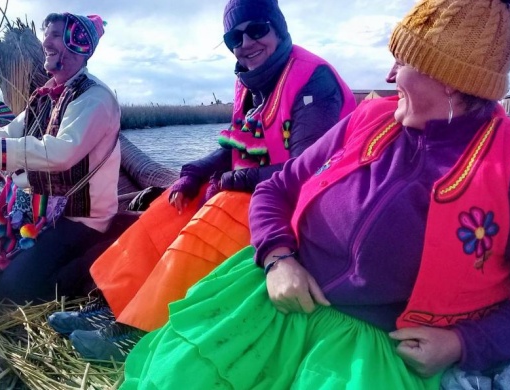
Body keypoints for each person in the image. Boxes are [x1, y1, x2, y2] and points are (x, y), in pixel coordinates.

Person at [120, 0, 510, 388]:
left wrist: (462, 344)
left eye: (403, 62)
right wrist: (278, 259)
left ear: (450, 77)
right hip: (275, 302)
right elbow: (276, 187)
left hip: (366, 350)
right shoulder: (369, 119)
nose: (389, 76)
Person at [49, 0, 356, 361]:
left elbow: (307, 168)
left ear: (278, 28)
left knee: (219, 211)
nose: (246, 43)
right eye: (234, 38)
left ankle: (138, 331)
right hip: (260, 187)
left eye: (257, 30)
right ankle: (115, 304)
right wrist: (197, 171)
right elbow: (238, 145)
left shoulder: (312, 81)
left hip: (305, 201)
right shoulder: (249, 80)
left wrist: (235, 180)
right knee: (172, 205)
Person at [0, 12, 121, 304]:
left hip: (77, 218)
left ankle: (94, 261)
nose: (46, 41)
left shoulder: (95, 99)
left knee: (13, 291)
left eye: (56, 35)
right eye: (47, 33)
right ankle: (22, 250)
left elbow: (61, 152)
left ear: (79, 45)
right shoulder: (45, 97)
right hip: (33, 204)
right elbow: (8, 133)